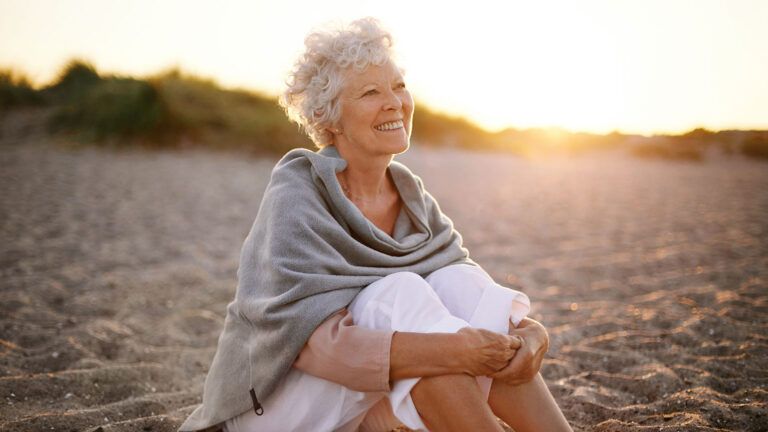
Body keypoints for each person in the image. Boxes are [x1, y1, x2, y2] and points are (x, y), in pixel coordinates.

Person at [179, 17, 572, 432]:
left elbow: (469, 303)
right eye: (370, 92)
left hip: (363, 403)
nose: (394, 102)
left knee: (457, 280)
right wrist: (456, 350)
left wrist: (531, 335)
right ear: (327, 117)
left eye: (399, 86)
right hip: (273, 406)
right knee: (399, 294)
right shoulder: (298, 194)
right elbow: (318, 350)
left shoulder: (411, 196)